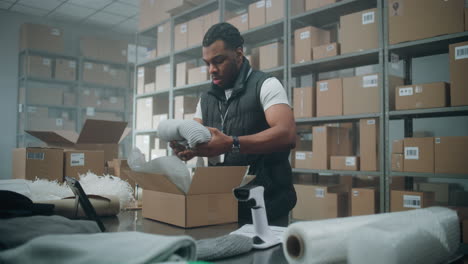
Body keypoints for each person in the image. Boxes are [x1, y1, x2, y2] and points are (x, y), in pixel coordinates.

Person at [171, 22, 296, 226]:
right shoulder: (206, 98)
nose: (211, 70)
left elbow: (287, 134)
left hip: (266, 206)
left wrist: (232, 143)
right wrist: (189, 149)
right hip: (222, 206)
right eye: (207, 63)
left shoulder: (265, 85)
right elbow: (196, 134)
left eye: (218, 61)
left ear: (238, 54)